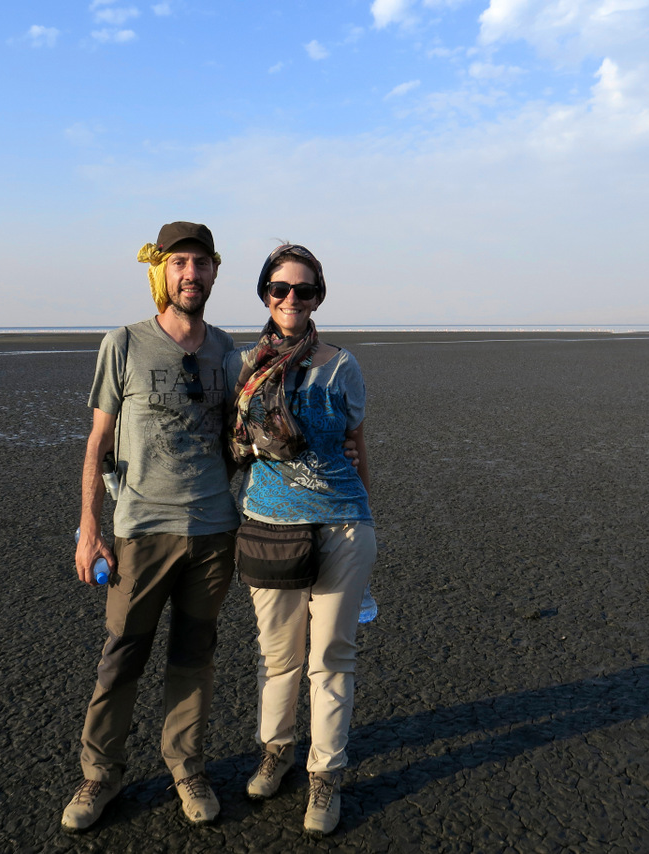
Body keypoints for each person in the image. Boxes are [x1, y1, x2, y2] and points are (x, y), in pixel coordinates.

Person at [62, 222, 239, 832]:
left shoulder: (227, 350)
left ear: (215, 271)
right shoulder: (125, 344)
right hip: (141, 531)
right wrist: (89, 527)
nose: (191, 274)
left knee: (195, 656)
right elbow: (97, 441)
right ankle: (99, 776)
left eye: (202, 263)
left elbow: (243, 438)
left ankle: (186, 767)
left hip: (216, 530)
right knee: (122, 656)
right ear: (160, 270)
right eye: (180, 263)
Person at [224, 243, 376, 837]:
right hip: (268, 524)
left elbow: (358, 444)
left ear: (319, 297)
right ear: (265, 293)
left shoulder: (343, 366)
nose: (292, 299)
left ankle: (325, 773)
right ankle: (277, 751)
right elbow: (225, 442)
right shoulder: (243, 365)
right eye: (280, 289)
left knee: (331, 659)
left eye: (304, 290)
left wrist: (366, 514)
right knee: (278, 656)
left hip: (342, 526)